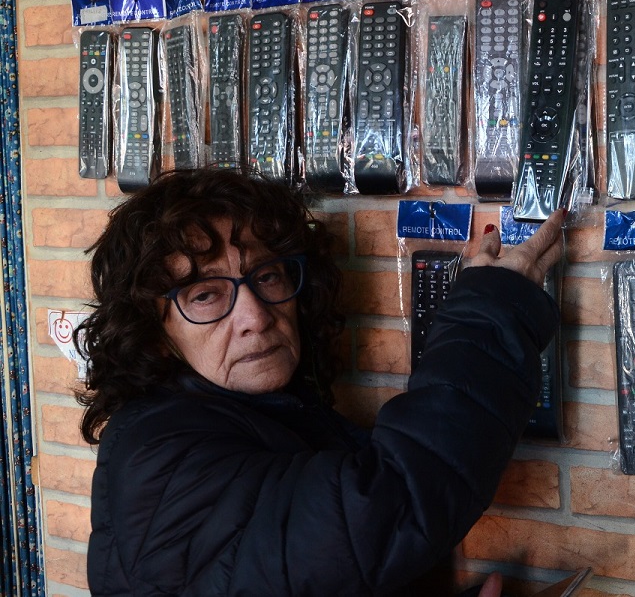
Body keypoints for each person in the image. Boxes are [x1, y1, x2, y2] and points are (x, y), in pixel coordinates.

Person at [76, 169, 565, 596]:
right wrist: (493, 313)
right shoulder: (160, 458)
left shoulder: (265, 415)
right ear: (155, 334)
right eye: (205, 296)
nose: (254, 317)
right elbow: (386, 506)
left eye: (267, 277)